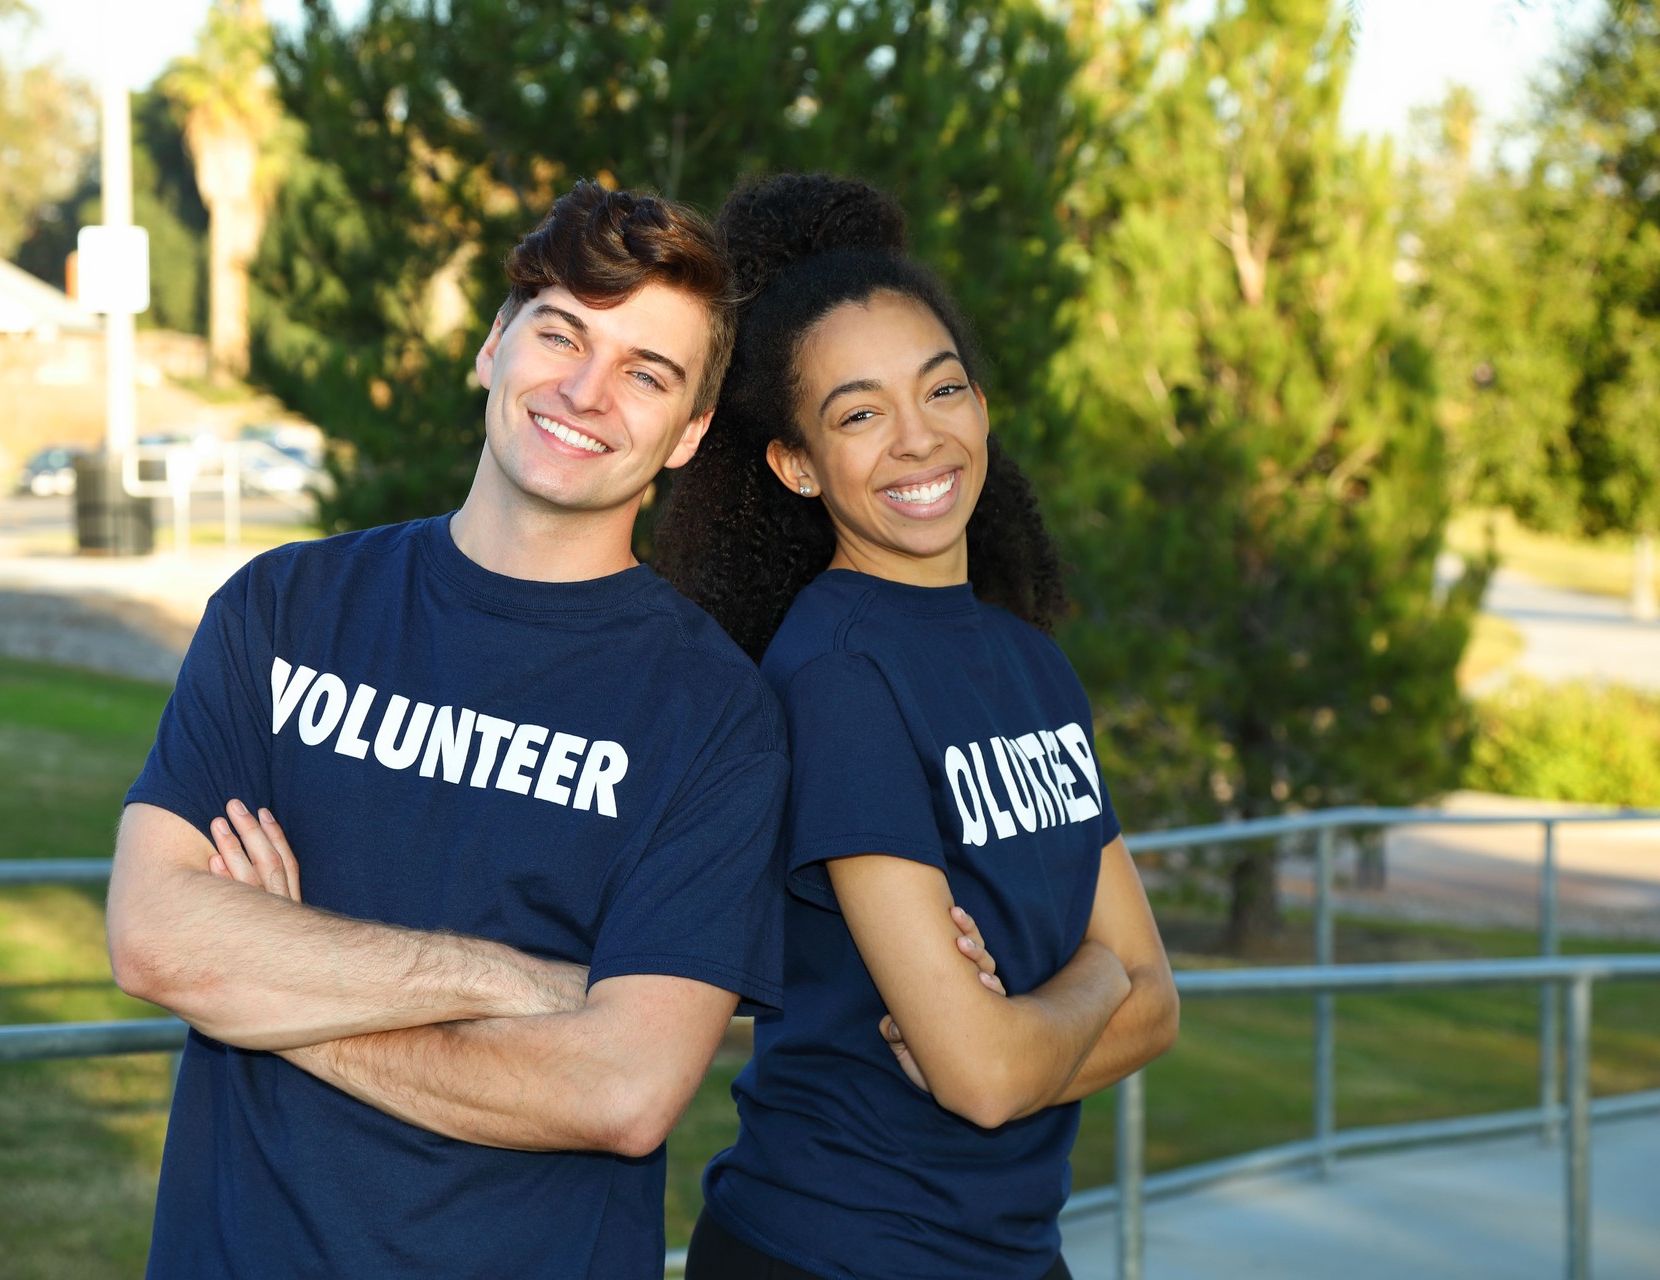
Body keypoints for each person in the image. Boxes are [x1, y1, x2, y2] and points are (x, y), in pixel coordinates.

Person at [105, 181, 792, 1279]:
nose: (585, 388)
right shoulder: (285, 608)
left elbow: (622, 1089)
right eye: (561, 330)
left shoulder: (714, 715)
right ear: (492, 345)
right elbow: (153, 936)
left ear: (689, 434)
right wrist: (515, 978)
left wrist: (269, 985)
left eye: (645, 372)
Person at [655, 174, 1181, 1280]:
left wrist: (1047, 1013)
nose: (917, 438)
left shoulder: (1029, 663)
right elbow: (986, 1072)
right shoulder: (839, 675)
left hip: (1009, 1251)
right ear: (796, 463)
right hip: (833, 1248)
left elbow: (1161, 1005)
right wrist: (1093, 984)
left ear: (982, 404)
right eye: (857, 412)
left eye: (941, 389)